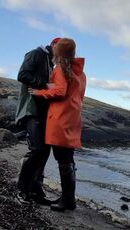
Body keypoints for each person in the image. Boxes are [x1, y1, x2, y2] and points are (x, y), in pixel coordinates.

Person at [29, 38, 86, 212]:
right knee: (68, 160)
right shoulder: (80, 73)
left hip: (60, 120)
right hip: (72, 119)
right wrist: (49, 86)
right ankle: (68, 198)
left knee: (63, 160)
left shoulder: (61, 69)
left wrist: (38, 92)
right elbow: (67, 91)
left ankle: (68, 201)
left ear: (58, 53)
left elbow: (60, 91)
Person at [15, 37, 61, 205]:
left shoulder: (51, 63)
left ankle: (35, 191)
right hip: (30, 110)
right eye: (60, 48)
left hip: (43, 112)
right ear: (54, 45)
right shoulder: (35, 54)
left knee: (44, 151)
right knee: (36, 149)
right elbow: (22, 75)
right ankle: (21, 190)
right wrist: (44, 85)